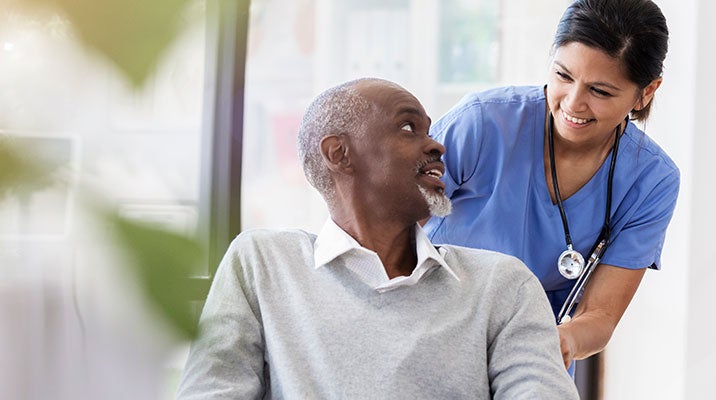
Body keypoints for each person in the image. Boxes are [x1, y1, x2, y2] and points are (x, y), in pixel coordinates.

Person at [176, 78, 579, 399]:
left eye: (430, 130)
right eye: (408, 127)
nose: (437, 144)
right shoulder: (262, 263)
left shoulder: (502, 284)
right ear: (339, 154)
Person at [423, 0, 679, 369]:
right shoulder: (482, 124)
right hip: (428, 333)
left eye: (601, 92)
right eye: (563, 75)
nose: (573, 103)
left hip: (528, 359)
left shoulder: (651, 180)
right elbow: (387, 230)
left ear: (646, 92)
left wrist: (558, 341)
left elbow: (601, 316)